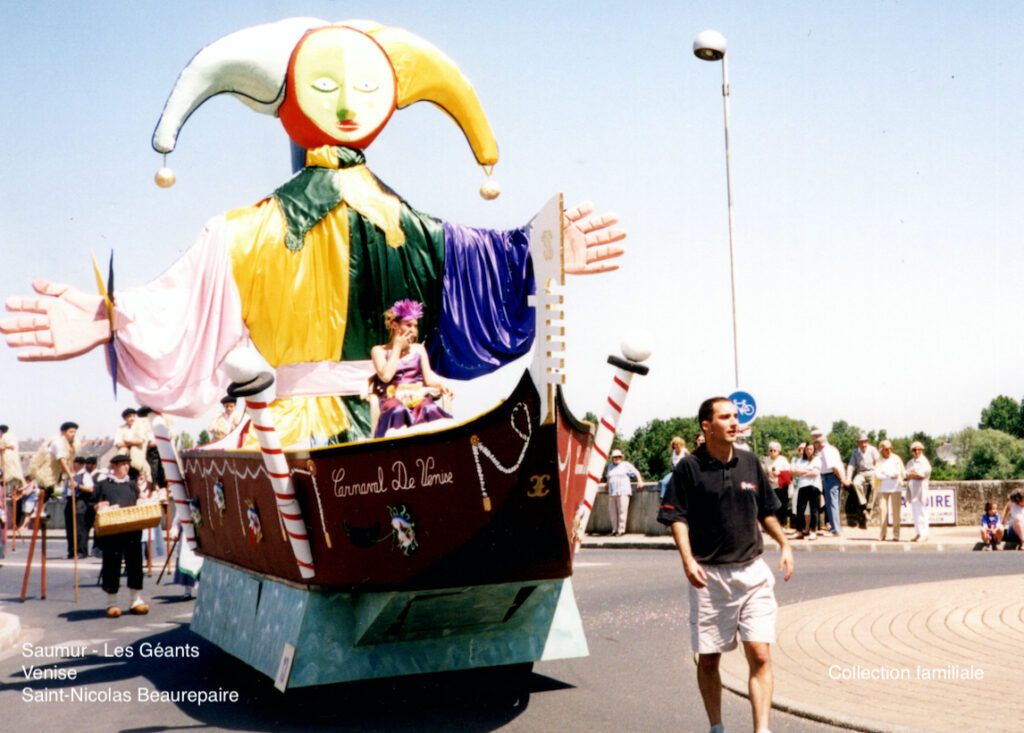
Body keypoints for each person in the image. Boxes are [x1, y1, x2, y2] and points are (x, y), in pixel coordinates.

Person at [0, 20, 625, 451]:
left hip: (319, 433)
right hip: (385, 432)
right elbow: (488, 263)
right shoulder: (400, 231)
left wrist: (115, 319)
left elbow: (173, 305)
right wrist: (535, 256)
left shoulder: (254, 232)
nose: (348, 105)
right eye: (326, 87)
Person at [659, 397, 793, 733]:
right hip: (711, 577)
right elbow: (677, 517)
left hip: (753, 572)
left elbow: (765, 509)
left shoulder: (749, 463)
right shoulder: (688, 468)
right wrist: (687, 560)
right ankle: (717, 727)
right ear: (707, 425)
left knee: (761, 655)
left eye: (736, 416)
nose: (734, 422)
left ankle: (762, 730)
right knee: (709, 658)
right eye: (725, 417)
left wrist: (784, 543)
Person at [370, 300, 453, 438]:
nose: (413, 330)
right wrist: (397, 347)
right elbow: (386, 376)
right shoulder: (379, 350)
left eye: (415, 326)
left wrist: (441, 384)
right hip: (393, 398)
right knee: (398, 410)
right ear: (394, 325)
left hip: (417, 396)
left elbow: (429, 377)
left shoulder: (418, 349)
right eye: (408, 325)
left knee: (429, 407)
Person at [93, 454, 148, 618]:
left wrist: (144, 500)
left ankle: (136, 600)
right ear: (114, 466)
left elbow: (140, 501)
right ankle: (112, 602)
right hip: (112, 532)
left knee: (135, 564)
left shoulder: (132, 485)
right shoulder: (103, 485)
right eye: (123, 464)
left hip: (132, 530)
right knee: (112, 565)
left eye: (127, 464)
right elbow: (92, 503)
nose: (126, 467)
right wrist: (97, 506)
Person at [812, 430, 844, 536]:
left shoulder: (826, 451)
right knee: (834, 503)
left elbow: (833, 467)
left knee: (832, 504)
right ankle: (836, 527)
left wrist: (841, 479)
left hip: (830, 476)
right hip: (831, 477)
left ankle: (835, 529)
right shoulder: (832, 449)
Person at [845, 433, 880, 529]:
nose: (863, 444)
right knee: (856, 483)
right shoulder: (855, 452)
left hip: (872, 472)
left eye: (865, 442)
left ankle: (869, 508)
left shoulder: (873, 450)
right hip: (861, 473)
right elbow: (851, 465)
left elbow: (878, 461)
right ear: (858, 443)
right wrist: (848, 478)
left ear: (867, 442)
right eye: (861, 442)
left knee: (874, 485)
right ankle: (863, 504)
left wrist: (877, 471)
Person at [605, 448, 642, 536]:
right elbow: (609, 477)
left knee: (622, 511)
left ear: (621, 457)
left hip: (623, 491)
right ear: (612, 458)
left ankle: (621, 530)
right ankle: (614, 530)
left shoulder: (626, 465)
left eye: (618, 457)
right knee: (612, 512)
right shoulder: (610, 466)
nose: (616, 458)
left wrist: (640, 481)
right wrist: (606, 485)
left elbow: (636, 472)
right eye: (615, 457)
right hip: (612, 491)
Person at [790, 442, 822, 539]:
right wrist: (808, 471)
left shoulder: (817, 460)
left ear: (814, 450)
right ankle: (799, 531)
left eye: (810, 449)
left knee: (814, 509)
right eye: (807, 449)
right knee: (800, 509)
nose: (808, 451)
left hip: (814, 486)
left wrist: (802, 472)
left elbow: (815, 473)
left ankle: (813, 531)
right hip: (802, 486)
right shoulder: (800, 460)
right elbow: (794, 471)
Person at [876, 440, 905, 541]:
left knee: (896, 512)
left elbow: (902, 472)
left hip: (896, 488)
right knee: (882, 511)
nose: (888, 451)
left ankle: (896, 535)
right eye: (886, 450)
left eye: (889, 449)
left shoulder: (896, 458)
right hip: (883, 488)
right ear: (881, 450)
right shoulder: (879, 460)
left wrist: (894, 475)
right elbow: (877, 474)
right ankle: (882, 534)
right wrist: (888, 475)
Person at [65, 456, 94, 558]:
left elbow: (90, 489)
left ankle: (81, 551)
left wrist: (78, 485)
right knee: (70, 527)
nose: (72, 465)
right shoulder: (71, 475)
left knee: (79, 528)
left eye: (74, 463)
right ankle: (72, 551)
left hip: (80, 502)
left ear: (80, 464)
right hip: (70, 501)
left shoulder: (85, 475)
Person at [904, 441, 932, 542]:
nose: (916, 451)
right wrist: (911, 474)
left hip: (921, 491)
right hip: (912, 491)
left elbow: (921, 475)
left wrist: (911, 474)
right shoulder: (910, 462)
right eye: (914, 450)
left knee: (922, 513)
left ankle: (924, 534)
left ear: (922, 450)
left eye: (919, 449)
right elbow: (905, 474)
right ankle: (918, 533)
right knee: (915, 513)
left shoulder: (924, 462)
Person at [115, 408, 150, 483]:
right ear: (125, 418)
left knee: (139, 465)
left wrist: (127, 441)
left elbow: (140, 441)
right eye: (130, 416)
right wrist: (131, 443)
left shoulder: (140, 426)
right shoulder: (121, 428)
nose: (132, 418)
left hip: (138, 453)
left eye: (134, 416)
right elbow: (118, 444)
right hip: (125, 454)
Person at [763, 442, 791, 527]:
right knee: (773, 505)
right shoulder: (766, 460)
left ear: (778, 451)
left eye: (774, 450)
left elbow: (788, 473)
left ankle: (783, 523)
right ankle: (775, 524)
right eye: (770, 450)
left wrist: (779, 473)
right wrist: (767, 478)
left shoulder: (783, 460)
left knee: (782, 505)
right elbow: (764, 472)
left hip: (781, 485)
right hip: (771, 486)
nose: (772, 452)